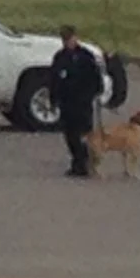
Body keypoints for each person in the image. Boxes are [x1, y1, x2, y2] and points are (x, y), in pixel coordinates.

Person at [51, 25, 106, 177]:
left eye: (69, 39)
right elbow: (54, 79)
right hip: (67, 102)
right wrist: (53, 98)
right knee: (70, 134)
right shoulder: (60, 57)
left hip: (83, 101)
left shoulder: (85, 56)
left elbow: (95, 76)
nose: (67, 42)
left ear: (75, 38)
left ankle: (88, 162)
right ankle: (77, 162)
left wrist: (97, 91)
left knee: (85, 134)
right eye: (64, 39)